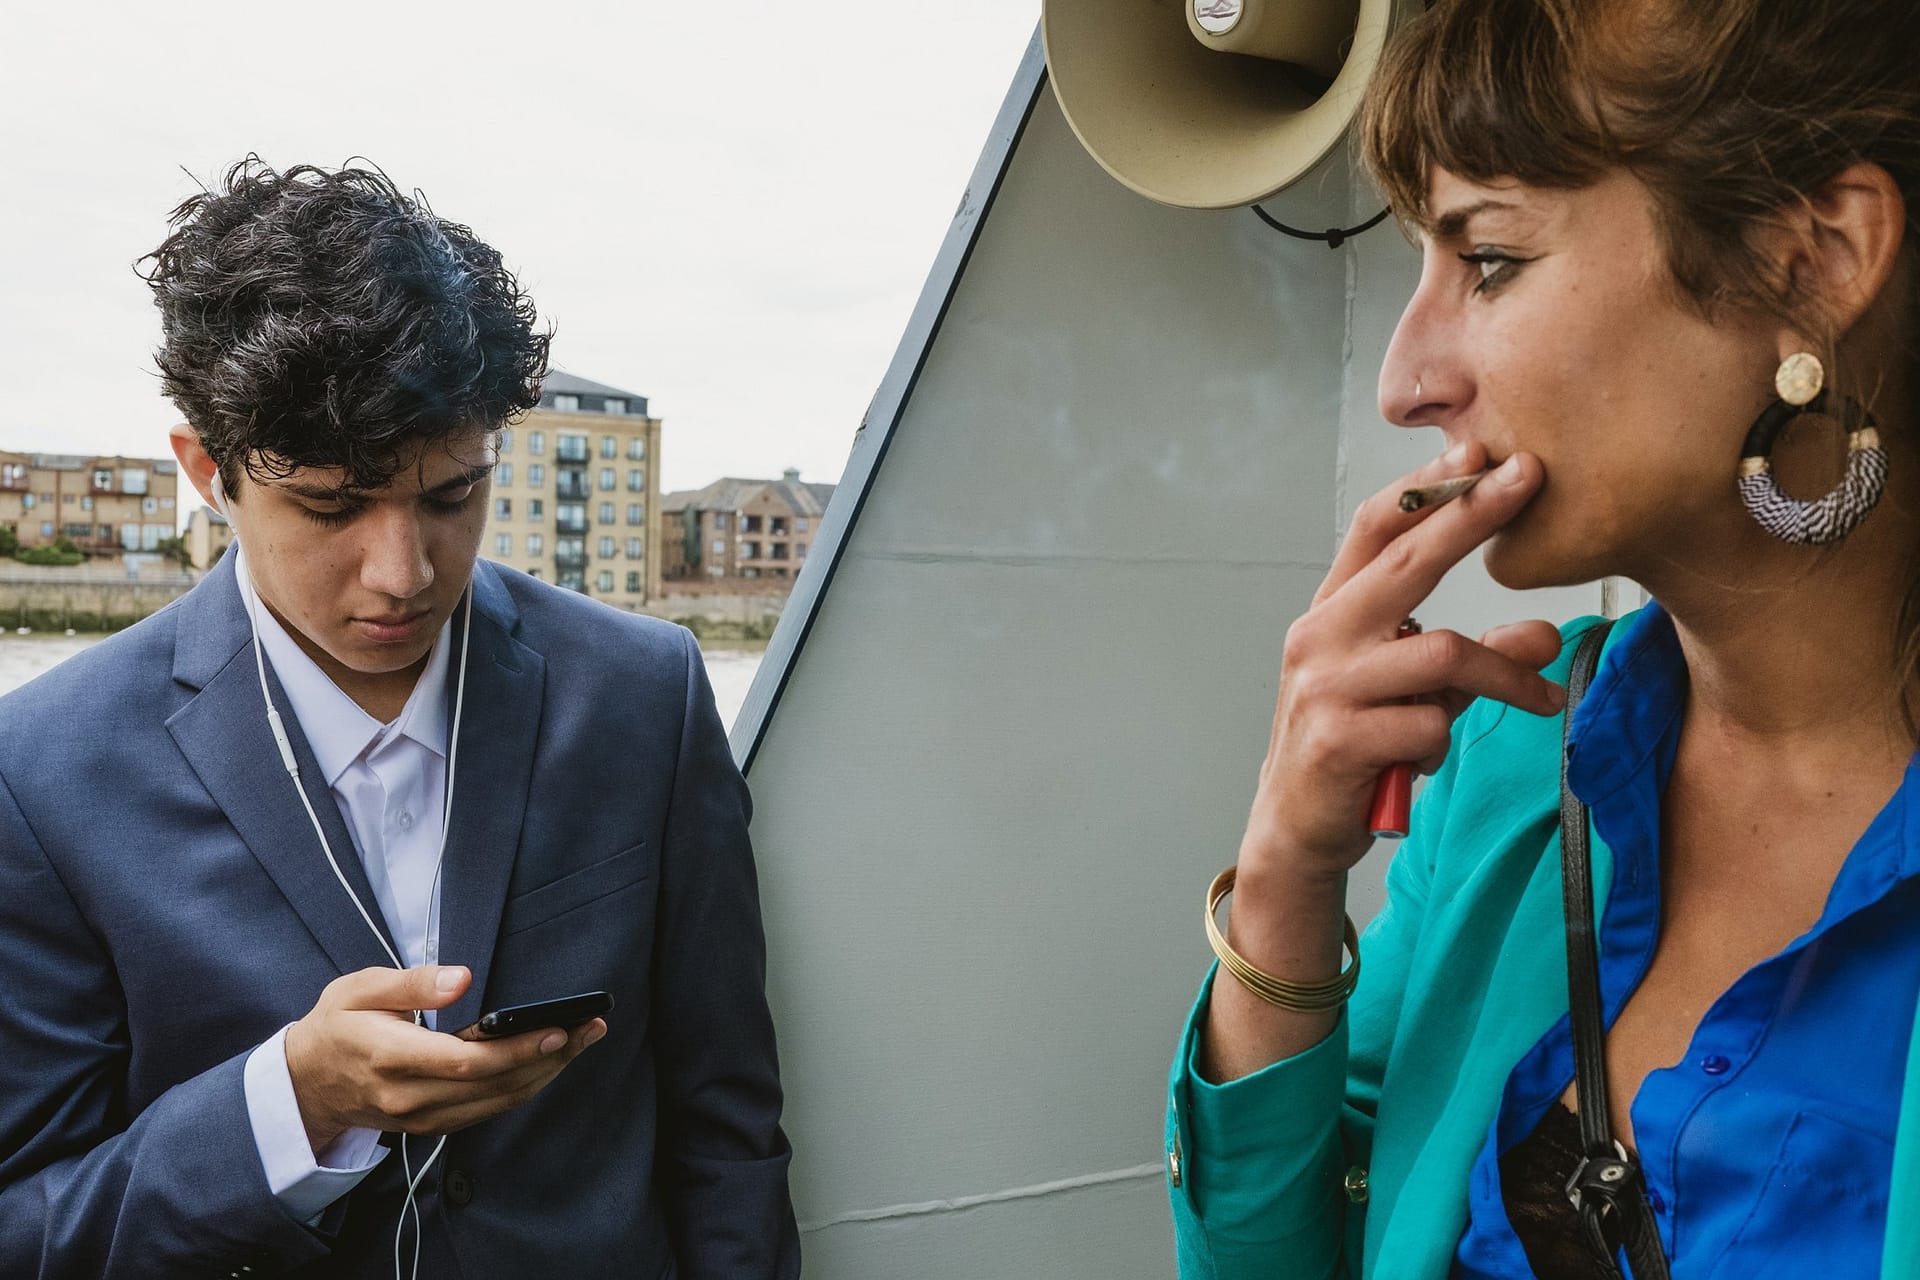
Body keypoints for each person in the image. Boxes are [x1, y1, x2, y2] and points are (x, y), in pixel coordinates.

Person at [1166, 1, 1920, 1276]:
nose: (1407, 382)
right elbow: (1289, 1251)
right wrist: (1289, 871)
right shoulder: (1510, 756)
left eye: (1491, 260)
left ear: (1816, 257)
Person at [0, 160, 800, 1278]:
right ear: (205, 470)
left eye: (449, 494)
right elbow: (28, 1230)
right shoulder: (38, 772)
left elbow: (729, 1132)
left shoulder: (645, 693)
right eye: (332, 503)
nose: (403, 571)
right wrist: (289, 1103)